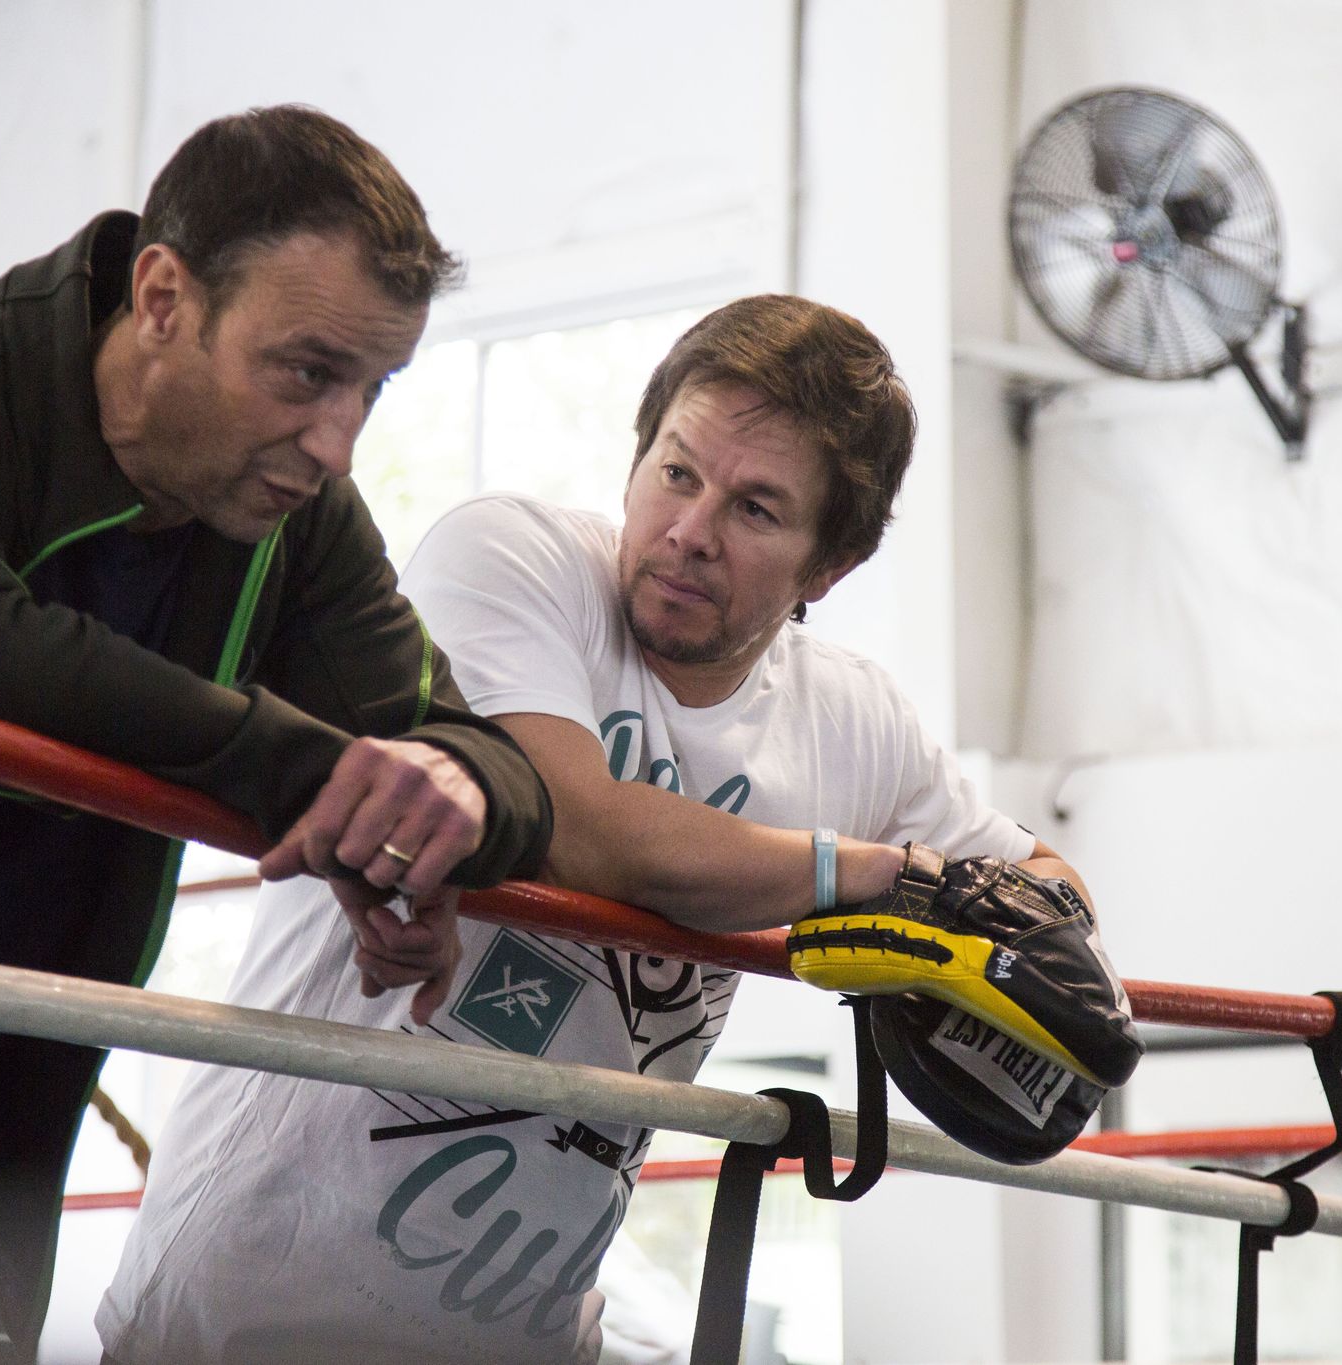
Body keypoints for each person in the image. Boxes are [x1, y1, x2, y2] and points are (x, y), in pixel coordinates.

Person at [98, 295, 1113, 1364]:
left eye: (755, 510)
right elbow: (580, 829)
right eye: (676, 474)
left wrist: (937, 955)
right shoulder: (515, 562)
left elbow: (1053, 899)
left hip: (526, 1331)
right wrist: (871, 877)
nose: (689, 533)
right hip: (243, 1302)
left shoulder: (852, 725)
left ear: (828, 569)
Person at [0, 105, 551, 1361]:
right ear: (162, 294)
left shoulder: (288, 521)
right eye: (307, 371)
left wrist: (441, 805)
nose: (336, 442)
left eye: (373, 389)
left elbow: (469, 756)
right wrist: (319, 779)